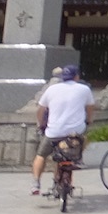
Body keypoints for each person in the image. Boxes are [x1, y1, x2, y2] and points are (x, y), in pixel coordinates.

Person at [31, 64, 94, 195]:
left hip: (54, 132)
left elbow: (40, 110)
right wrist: (89, 120)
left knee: (41, 155)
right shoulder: (84, 89)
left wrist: (41, 124)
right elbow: (90, 108)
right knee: (83, 140)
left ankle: (36, 183)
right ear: (76, 76)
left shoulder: (51, 89)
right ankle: (78, 158)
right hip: (75, 132)